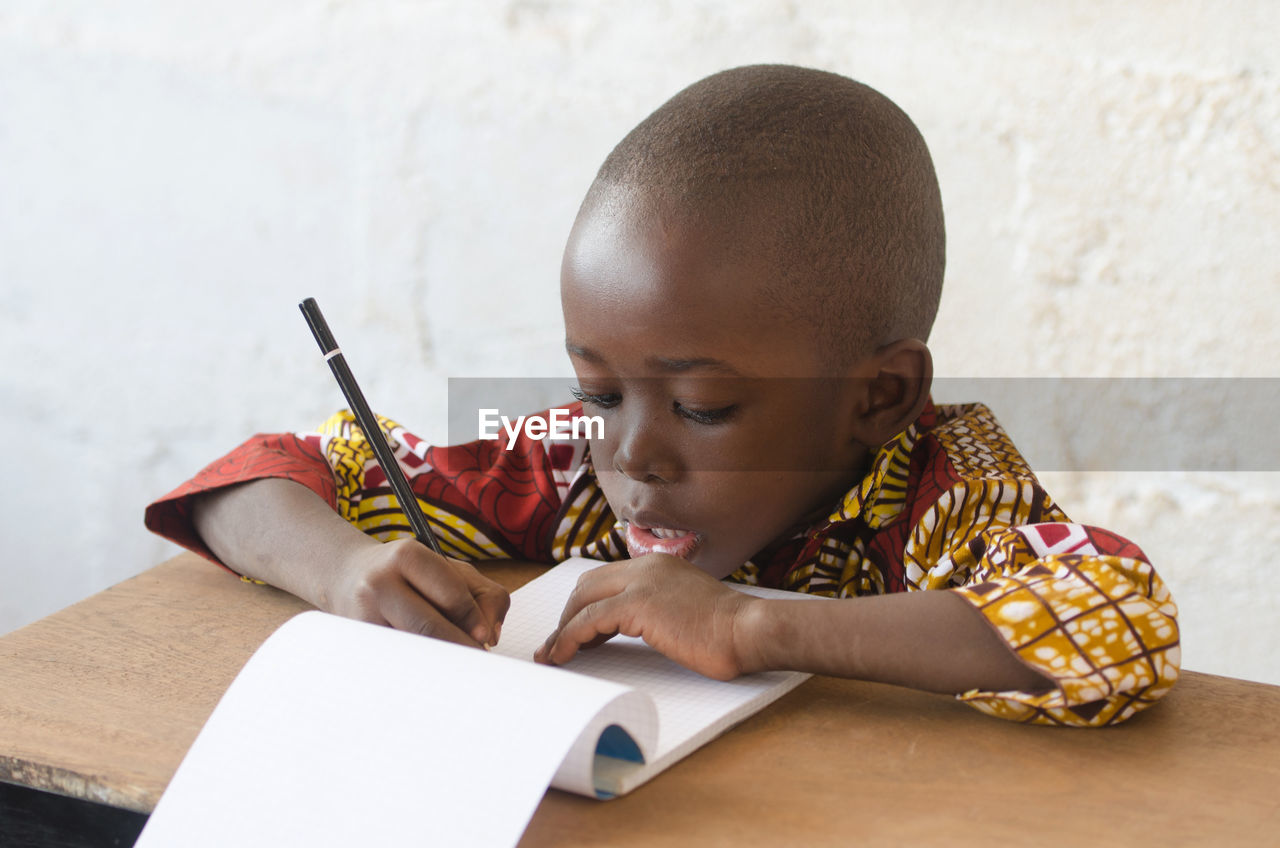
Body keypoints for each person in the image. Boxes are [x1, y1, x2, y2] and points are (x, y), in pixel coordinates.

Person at [145, 64, 1179, 727]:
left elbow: (1115, 625)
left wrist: (746, 622)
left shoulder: (943, 490)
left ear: (879, 395)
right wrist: (346, 567)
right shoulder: (581, 466)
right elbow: (257, 478)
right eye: (596, 389)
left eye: (702, 408)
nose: (631, 455)